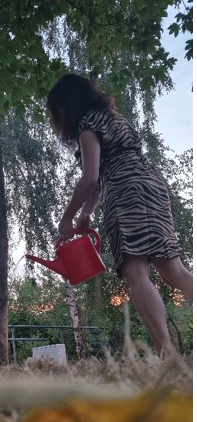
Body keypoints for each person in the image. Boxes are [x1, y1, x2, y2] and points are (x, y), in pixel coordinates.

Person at [46, 73, 193, 356]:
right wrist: (87, 211)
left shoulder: (88, 127)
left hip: (126, 193)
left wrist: (67, 218)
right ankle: (166, 352)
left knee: (135, 271)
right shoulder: (115, 119)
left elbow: (90, 178)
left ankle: (166, 352)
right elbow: (104, 173)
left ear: (66, 107)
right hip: (152, 187)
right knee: (173, 269)